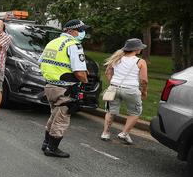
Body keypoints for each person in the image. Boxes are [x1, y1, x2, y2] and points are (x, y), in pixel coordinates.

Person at [38, 19, 89, 158]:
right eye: (80, 30)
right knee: (62, 119)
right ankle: (52, 148)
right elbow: (79, 72)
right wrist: (85, 81)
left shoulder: (52, 42)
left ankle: (46, 143)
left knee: (54, 115)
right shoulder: (74, 45)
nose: (83, 33)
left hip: (50, 86)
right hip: (65, 89)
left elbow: (40, 63)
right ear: (71, 31)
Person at [101, 38, 149, 144]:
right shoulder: (140, 61)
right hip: (131, 90)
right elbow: (144, 80)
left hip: (114, 87)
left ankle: (105, 133)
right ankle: (124, 133)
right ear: (136, 49)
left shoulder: (116, 58)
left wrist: (113, 83)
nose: (141, 49)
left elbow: (107, 72)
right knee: (135, 112)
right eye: (140, 47)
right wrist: (144, 91)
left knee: (110, 111)